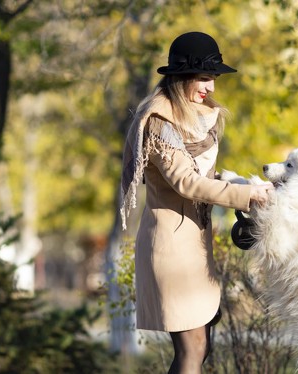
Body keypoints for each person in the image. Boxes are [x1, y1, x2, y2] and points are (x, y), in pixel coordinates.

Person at [119, 31, 272, 374]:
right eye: (205, 77)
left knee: (197, 352)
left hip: (195, 247)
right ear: (182, 77)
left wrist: (241, 185)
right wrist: (248, 196)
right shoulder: (160, 122)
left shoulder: (200, 117)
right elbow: (186, 183)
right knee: (193, 349)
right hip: (171, 251)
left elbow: (204, 178)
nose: (212, 87)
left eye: (214, 78)